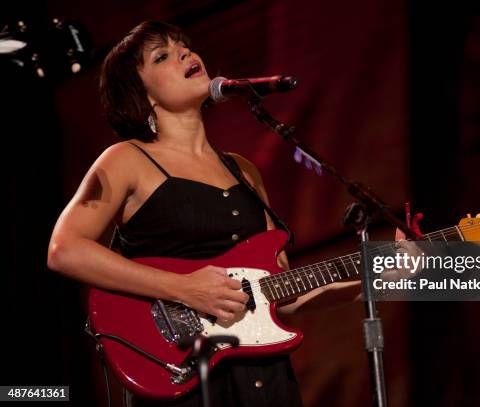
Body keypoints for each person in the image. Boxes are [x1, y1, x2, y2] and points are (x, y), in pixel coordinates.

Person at [47, 20, 373, 407]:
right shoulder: (126, 159)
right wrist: (184, 289)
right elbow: (64, 249)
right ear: (142, 92)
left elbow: (282, 294)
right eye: (162, 55)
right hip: (185, 372)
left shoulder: (243, 170)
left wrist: (384, 279)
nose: (186, 53)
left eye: (184, 45)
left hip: (265, 379)